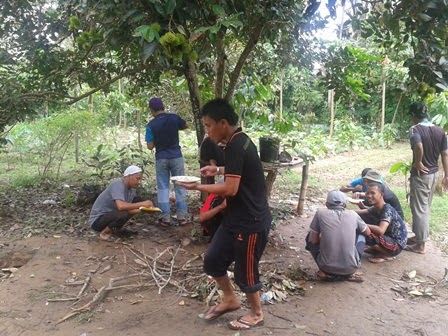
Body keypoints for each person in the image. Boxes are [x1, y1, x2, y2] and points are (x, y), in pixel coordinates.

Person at [178, 98, 271, 331]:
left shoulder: (237, 145)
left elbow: (230, 188)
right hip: (234, 218)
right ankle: (230, 299)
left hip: (251, 222)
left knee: (246, 272)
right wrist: (217, 169)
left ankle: (257, 313)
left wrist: (198, 186)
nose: (207, 132)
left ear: (222, 123)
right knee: (213, 260)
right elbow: (237, 170)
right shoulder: (235, 143)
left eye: (209, 126)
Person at [406, 102, 448, 254]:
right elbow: (445, 154)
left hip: (421, 175)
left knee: (419, 209)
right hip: (434, 174)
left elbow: (418, 146)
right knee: (424, 207)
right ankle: (418, 236)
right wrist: (446, 175)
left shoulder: (414, 129)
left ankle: (421, 245)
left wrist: (418, 162)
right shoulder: (440, 130)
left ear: (413, 115)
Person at [306, 190, 371, 281]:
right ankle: (352, 262)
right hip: (350, 269)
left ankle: (322, 272)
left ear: (327, 204)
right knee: (362, 235)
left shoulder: (320, 213)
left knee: (310, 235)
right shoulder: (353, 214)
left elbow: (314, 241)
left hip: (326, 268)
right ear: (344, 205)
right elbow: (368, 232)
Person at [146, 97, 189, 226]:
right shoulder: (174, 118)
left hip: (161, 158)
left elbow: (149, 146)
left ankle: (165, 217)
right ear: (163, 107)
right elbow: (186, 125)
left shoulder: (151, 125)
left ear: (152, 110)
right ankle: (182, 216)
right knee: (180, 185)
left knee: (163, 187)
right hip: (176, 156)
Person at [87, 166, 154, 241]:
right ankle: (105, 233)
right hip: (97, 222)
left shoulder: (132, 190)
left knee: (130, 208)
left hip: (110, 217)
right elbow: (121, 207)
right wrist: (142, 204)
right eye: (137, 178)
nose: (139, 182)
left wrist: (142, 209)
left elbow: (129, 209)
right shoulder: (118, 184)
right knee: (124, 212)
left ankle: (115, 229)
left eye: (140, 179)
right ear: (128, 176)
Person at [356, 182, 407, 263]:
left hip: (396, 245)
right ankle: (379, 250)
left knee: (365, 231)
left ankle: (387, 254)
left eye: (373, 193)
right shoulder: (376, 207)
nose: (369, 196)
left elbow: (380, 230)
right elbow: (359, 212)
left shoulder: (387, 210)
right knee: (362, 220)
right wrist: (345, 212)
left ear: (381, 194)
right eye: (367, 193)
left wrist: (362, 225)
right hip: (388, 238)